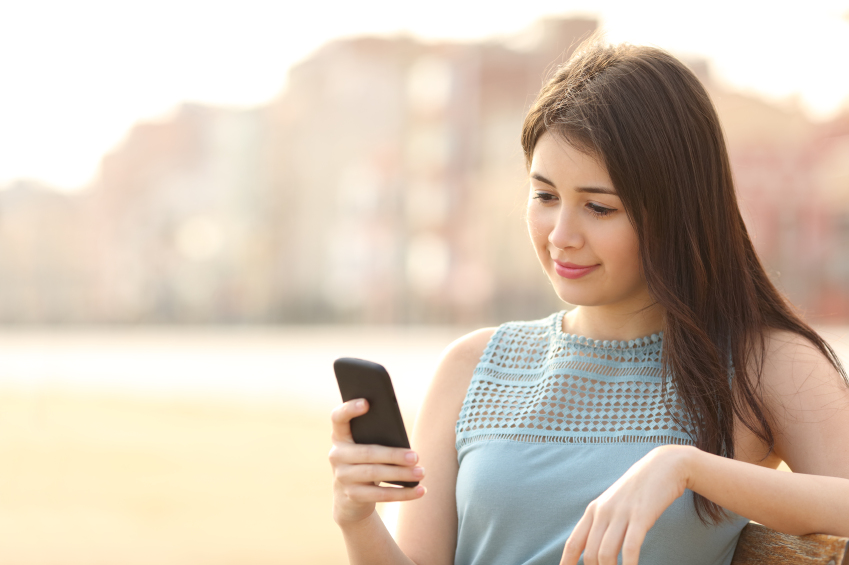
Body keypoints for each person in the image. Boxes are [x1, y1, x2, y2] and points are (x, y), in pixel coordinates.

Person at [328, 40, 849, 565]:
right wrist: (358, 518)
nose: (561, 235)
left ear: (678, 210)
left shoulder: (764, 366)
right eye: (546, 196)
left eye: (599, 207)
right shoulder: (472, 367)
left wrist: (686, 467)